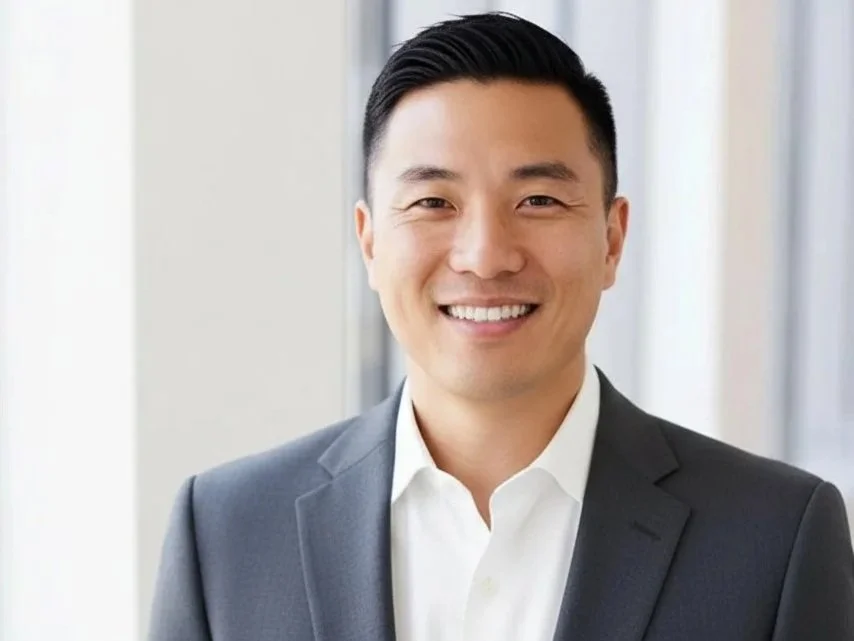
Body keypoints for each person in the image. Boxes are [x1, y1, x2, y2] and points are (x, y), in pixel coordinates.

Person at [148, 12, 854, 641]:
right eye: (433, 202)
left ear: (612, 239)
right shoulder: (227, 534)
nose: (485, 255)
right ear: (369, 242)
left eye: (538, 199)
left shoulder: (775, 541)